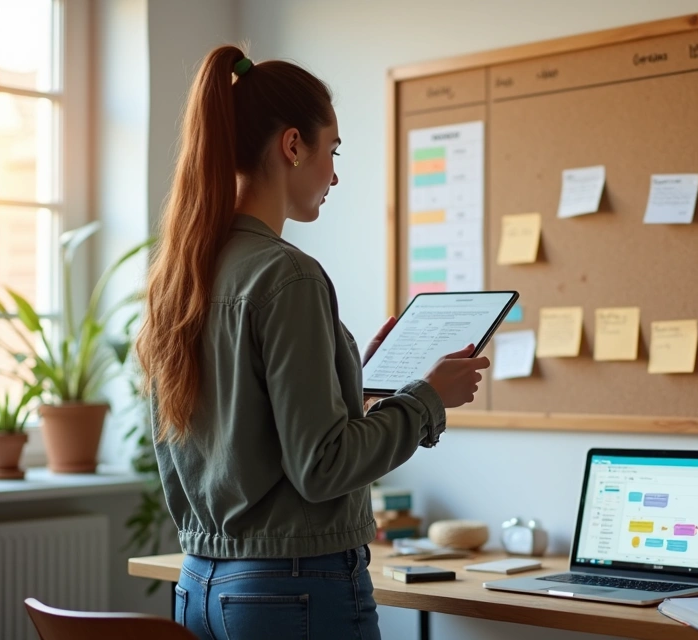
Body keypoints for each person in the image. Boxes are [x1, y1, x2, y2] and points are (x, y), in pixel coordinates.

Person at [134, 45, 488, 640]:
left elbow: (249, 431)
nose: (335, 174)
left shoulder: (183, 274)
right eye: (333, 150)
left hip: (201, 587)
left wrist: (355, 380)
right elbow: (321, 469)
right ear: (292, 145)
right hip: (292, 591)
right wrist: (429, 398)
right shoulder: (287, 275)